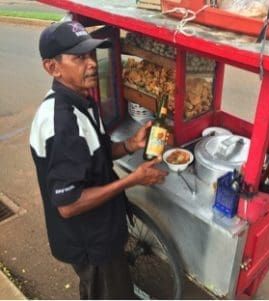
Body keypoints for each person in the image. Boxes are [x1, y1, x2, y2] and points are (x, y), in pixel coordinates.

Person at [29, 20, 168, 299]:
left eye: (91, 54)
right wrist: (133, 180)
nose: (91, 63)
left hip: (103, 228)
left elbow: (98, 154)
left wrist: (130, 144)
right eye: (79, 57)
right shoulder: (62, 123)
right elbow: (69, 205)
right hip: (90, 243)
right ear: (52, 67)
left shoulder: (83, 100)